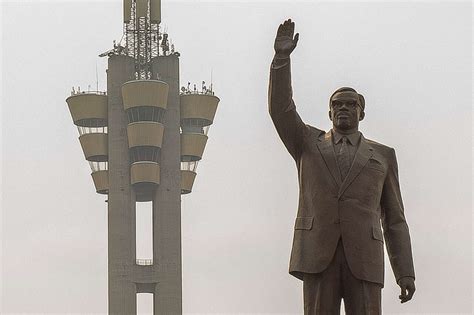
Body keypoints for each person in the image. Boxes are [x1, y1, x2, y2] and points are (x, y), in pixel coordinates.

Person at [268, 19, 416, 314]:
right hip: (317, 254)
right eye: (338, 105)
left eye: (350, 104)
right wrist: (281, 60)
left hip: (365, 258)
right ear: (329, 111)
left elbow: (395, 219)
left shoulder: (383, 156)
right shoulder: (307, 143)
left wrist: (405, 271)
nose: (343, 109)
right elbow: (281, 109)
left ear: (362, 112)